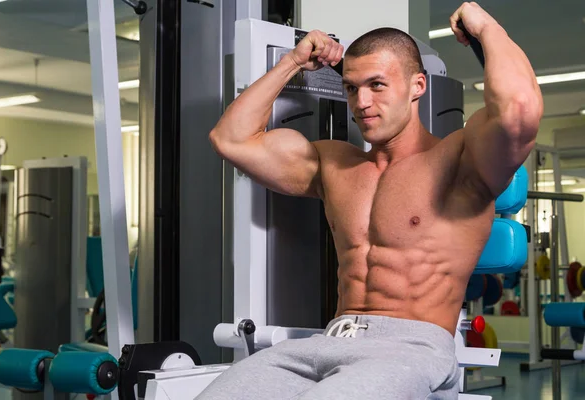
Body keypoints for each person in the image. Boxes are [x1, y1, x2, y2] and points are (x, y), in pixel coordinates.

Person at [202, 2, 542, 399]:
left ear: (417, 86)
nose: (361, 102)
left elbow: (519, 109)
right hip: (330, 340)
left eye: (377, 85)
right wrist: (293, 61)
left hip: (411, 347)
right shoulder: (334, 165)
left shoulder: (460, 162)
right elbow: (230, 139)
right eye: (352, 87)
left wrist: (485, 27)